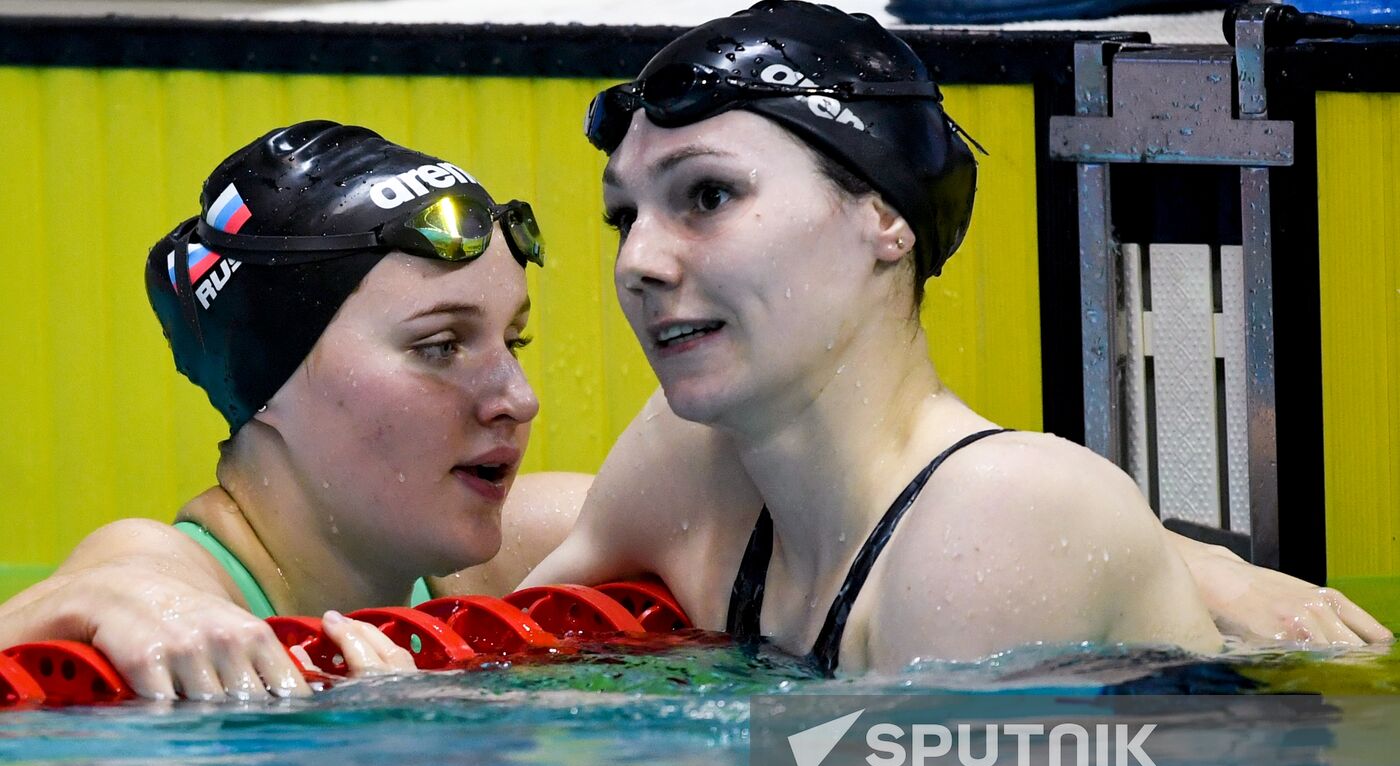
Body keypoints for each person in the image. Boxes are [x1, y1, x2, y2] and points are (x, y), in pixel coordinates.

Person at [517, 0, 1391, 674]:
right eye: (622, 217)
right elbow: (495, 656)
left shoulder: (998, 520)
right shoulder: (691, 463)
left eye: (707, 196)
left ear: (884, 217)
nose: (639, 261)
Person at [0, 121, 588, 699]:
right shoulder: (161, 572)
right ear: (269, 379)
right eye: (438, 347)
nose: (518, 398)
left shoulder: (510, 560)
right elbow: (120, 580)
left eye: (514, 341)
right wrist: (97, 598)